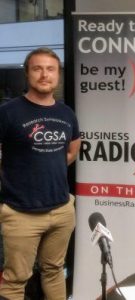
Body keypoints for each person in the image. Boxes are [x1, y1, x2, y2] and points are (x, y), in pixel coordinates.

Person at [0, 47, 81, 300]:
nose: (44, 74)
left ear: (58, 75)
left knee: (55, 271)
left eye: (50, 69)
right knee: (15, 279)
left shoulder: (66, 113)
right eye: (37, 68)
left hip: (61, 211)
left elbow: (71, 152)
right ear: (27, 74)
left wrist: (44, 165)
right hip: (20, 213)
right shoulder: (8, 112)